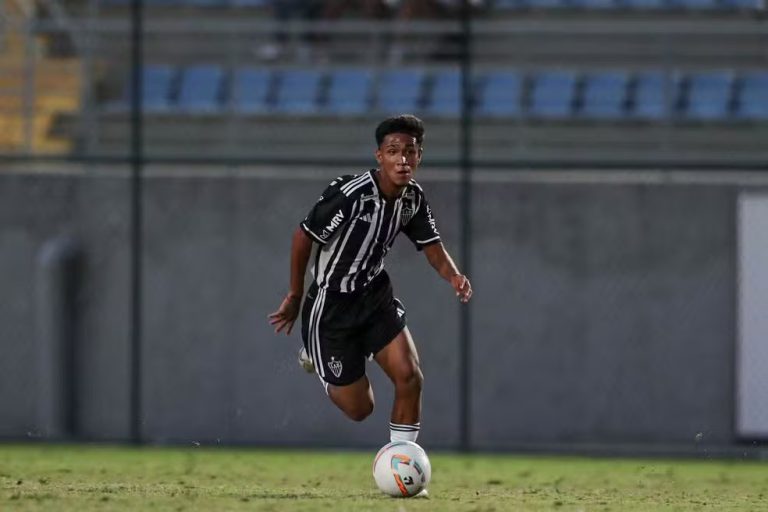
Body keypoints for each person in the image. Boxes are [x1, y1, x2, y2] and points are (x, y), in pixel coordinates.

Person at [269, 114, 472, 446]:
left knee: (410, 377)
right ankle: (317, 357)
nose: (402, 159)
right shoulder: (351, 195)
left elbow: (431, 246)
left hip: (374, 297)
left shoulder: (412, 199)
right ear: (380, 156)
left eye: (410, 151)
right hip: (331, 307)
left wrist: (454, 276)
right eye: (394, 151)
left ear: (419, 157)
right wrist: (295, 294)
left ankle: (402, 462)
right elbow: (303, 237)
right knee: (360, 408)